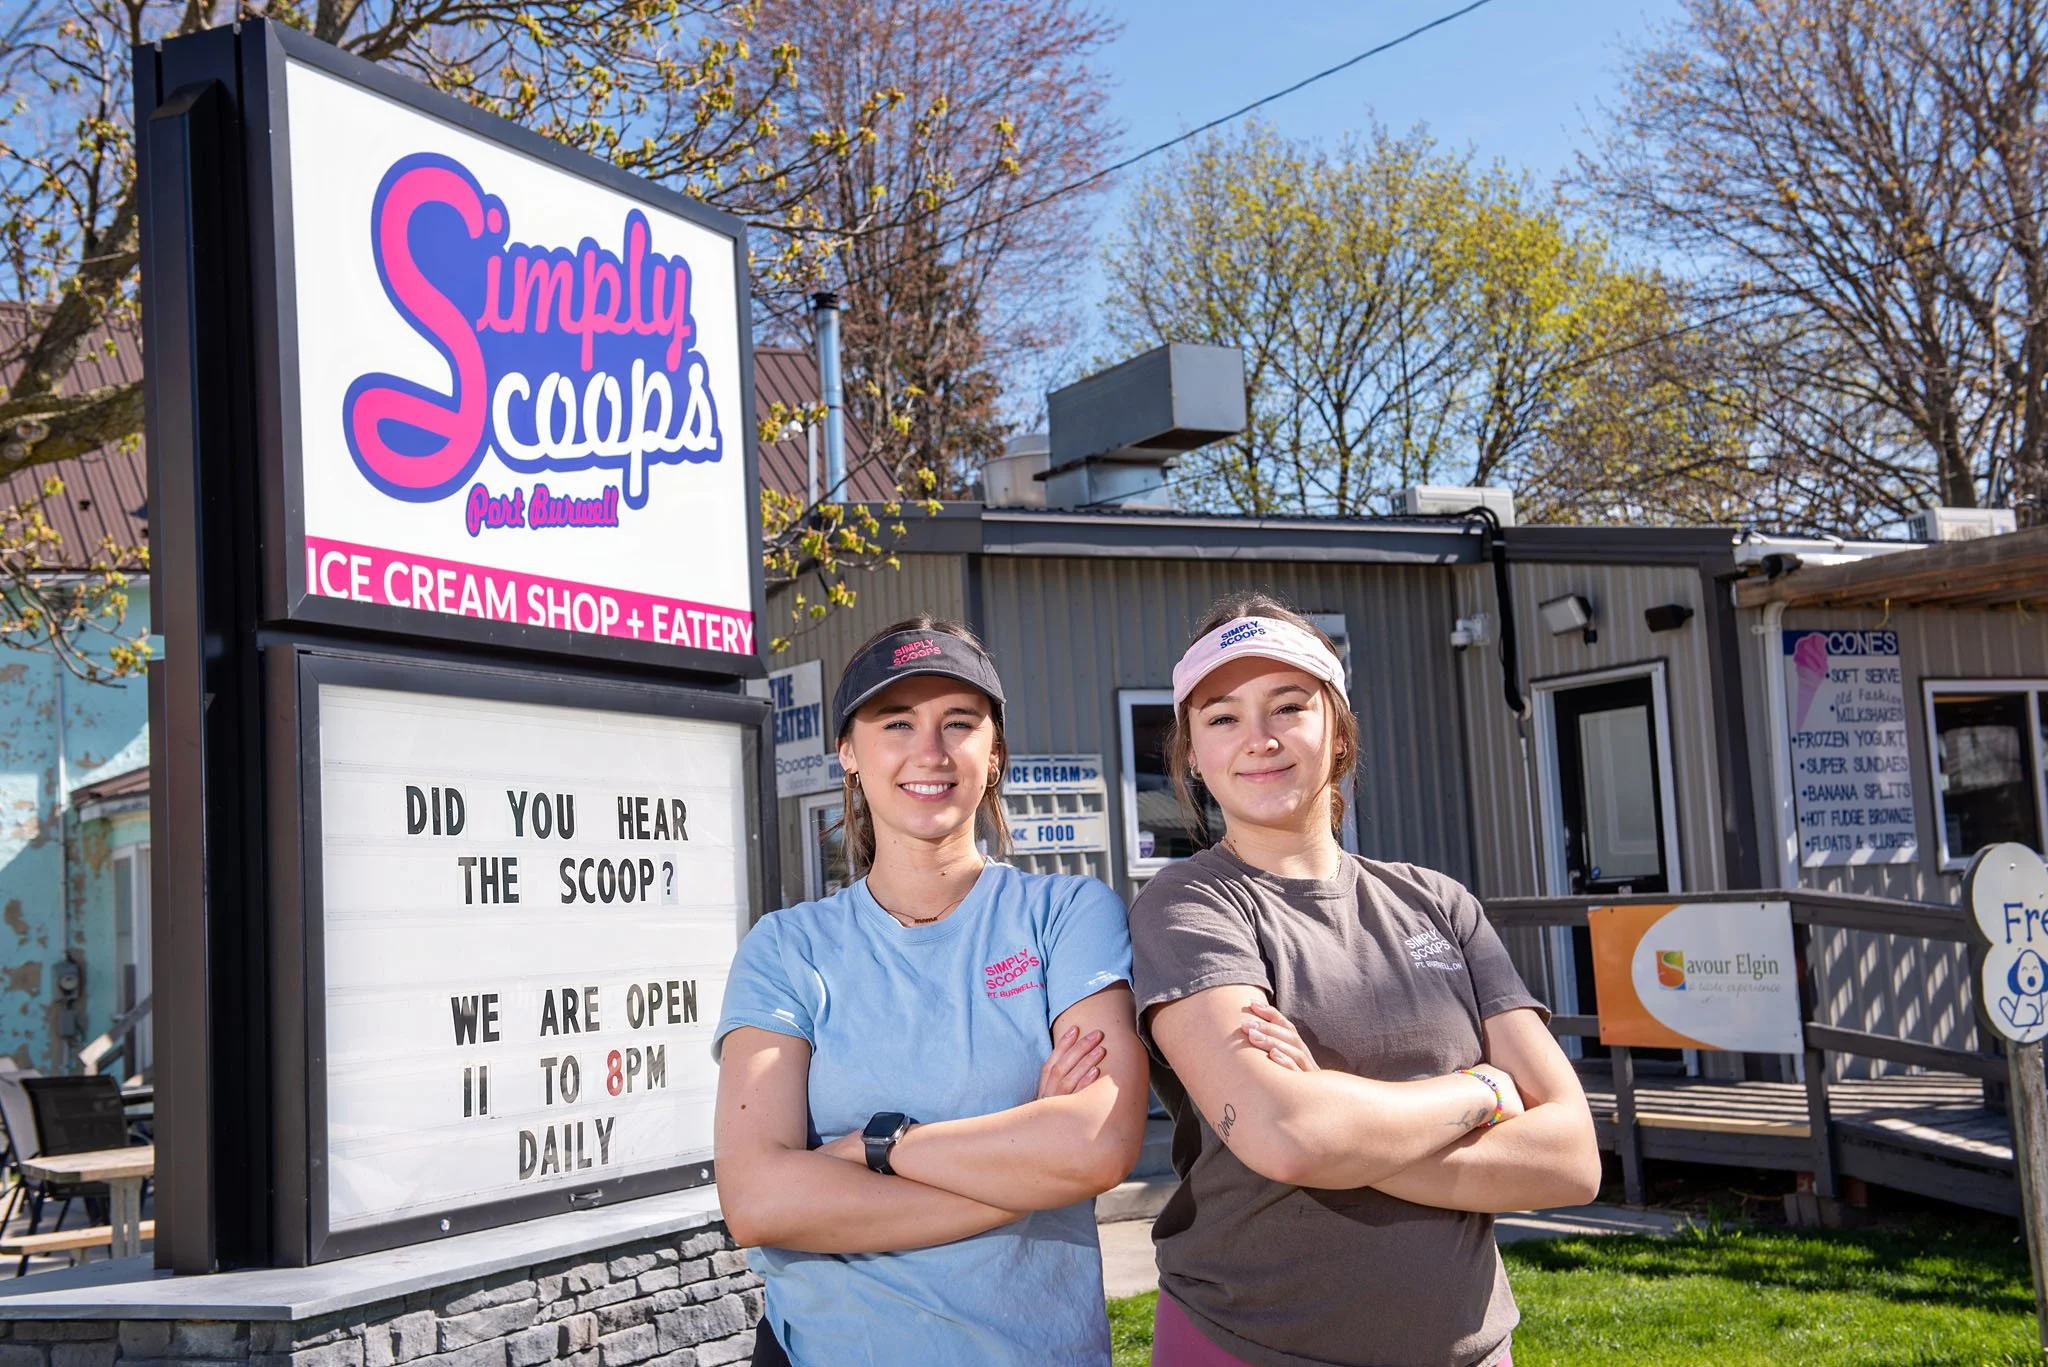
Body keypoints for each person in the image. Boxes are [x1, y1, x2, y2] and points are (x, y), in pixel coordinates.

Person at [1131, 592, 1602, 1367]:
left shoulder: (1439, 902)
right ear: (1192, 753)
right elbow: (1290, 1136)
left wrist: (1336, 1125)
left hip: (1469, 1347)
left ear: (1338, 730)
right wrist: (1480, 1092)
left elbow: (1572, 1156)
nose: (1259, 738)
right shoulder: (1188, 904)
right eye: (1222, 717)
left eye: (1288, 705)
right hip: (1251, 1345)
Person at [713, 617, 1149, 1367]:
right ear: (848, 751)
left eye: (959, 722)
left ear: (995, 750)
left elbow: (1097, 1141)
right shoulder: (787, 948)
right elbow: (758, 1199)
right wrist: (1023, 1174)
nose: (931, 751)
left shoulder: (1065, 917)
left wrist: (876, 1148)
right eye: (897, 722)